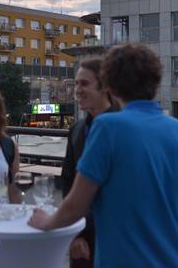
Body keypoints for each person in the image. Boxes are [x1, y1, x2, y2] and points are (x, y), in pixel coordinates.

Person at [30, 44, 178, 268]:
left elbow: (76, 206)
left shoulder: (107, 127)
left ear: (111, 87)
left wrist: (47, 222)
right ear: (155, 82)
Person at [62, 59, 118, 268]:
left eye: (84, 84)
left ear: (104, 87)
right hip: (82, 241)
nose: (77, 90)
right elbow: (68, 182)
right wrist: (75, 234)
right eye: (76, 83)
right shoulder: (76, 130)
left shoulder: (124, 128)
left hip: (115, 238)